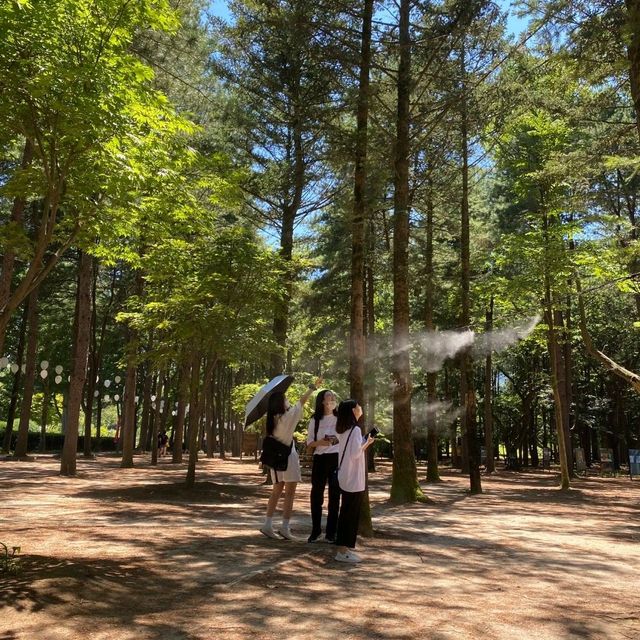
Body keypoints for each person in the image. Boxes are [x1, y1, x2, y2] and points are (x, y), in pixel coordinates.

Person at [260, 378, 321, 541]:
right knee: (290, 493)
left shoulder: (272, 420)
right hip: (288, 459)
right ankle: (285, 528)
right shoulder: (286, 418)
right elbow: (302, 401)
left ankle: (268, 524)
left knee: (276, 491)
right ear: (280, 403)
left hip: (275, 460)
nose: (288, 401)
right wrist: (312, 387)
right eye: (286, 399)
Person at [334, 399, 374, 563]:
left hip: (345, 475)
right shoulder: (355, 430)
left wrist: (363, 442)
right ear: (352, 411)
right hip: (353, 478)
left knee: (346, 513)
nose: (360, 408)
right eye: (357, 406)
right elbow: (355, 454)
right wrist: (368, 443)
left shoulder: (344, 430)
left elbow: (350, 450)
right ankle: (342, 551)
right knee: (349, 515)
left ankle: (344, 548)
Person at [306, 389, 340, 543]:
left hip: (335, 458)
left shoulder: (340, 418)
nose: (331, 399)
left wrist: (332, 441)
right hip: (320, 458)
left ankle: (331, 532)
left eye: (333, 397)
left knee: (334, 495)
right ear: (322, 401)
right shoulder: (315, 420)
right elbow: (310, 443)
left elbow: (343, 438)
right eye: (328, 397)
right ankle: (315, 530)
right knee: (316, 495)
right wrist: (321, 442)